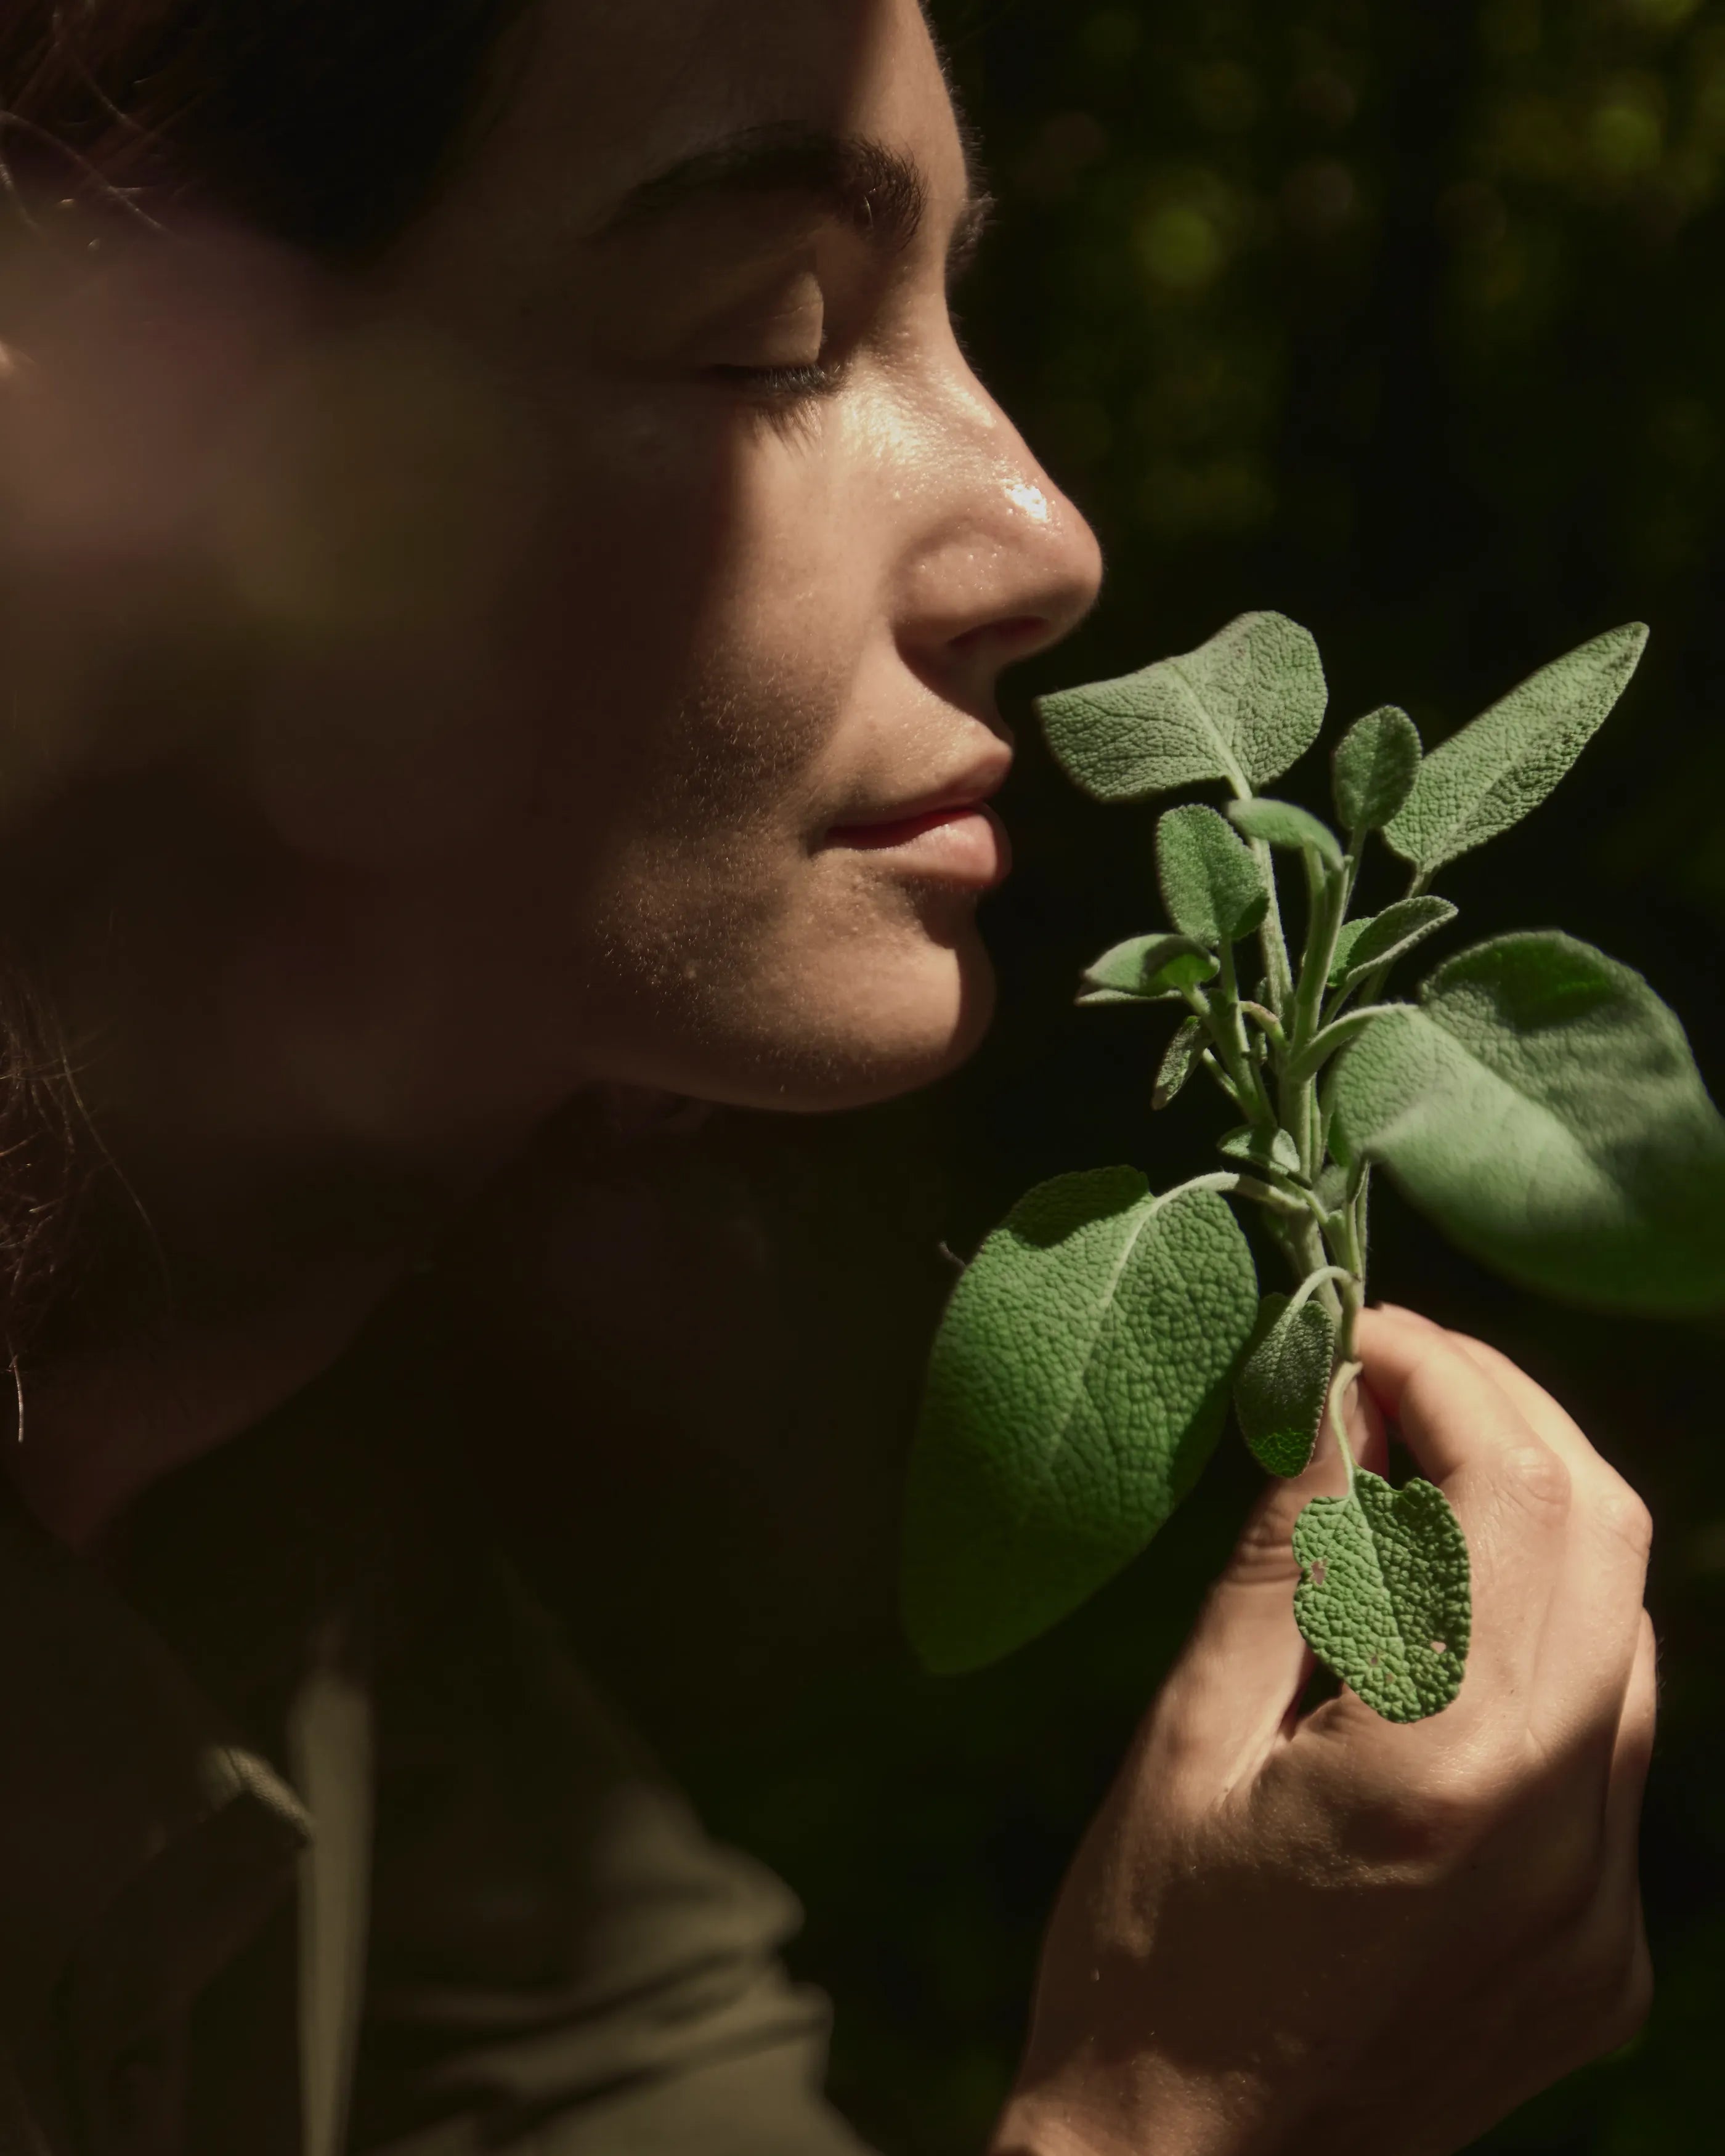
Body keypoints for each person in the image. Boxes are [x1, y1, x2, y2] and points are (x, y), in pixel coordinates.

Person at [0, 3, 1655, 2152]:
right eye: (775, 333)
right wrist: (1181, 2112)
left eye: (950, 302)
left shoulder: (282, 1478)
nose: (1048, 538)